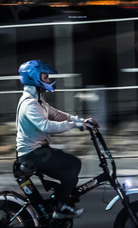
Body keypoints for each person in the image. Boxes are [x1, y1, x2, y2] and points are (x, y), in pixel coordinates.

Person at [16, 60, 98, 219]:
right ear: (34, 77)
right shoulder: (29, 104)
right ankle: (61, 208)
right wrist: (73, 125)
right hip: (32, 154)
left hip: (39, 150)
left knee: (70, 177)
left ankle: (57, 205)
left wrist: (81, 121)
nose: (48, 80)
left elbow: (56, 114)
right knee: (73, 164)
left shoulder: (39, 100)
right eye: (45, 76)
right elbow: (46, 126)